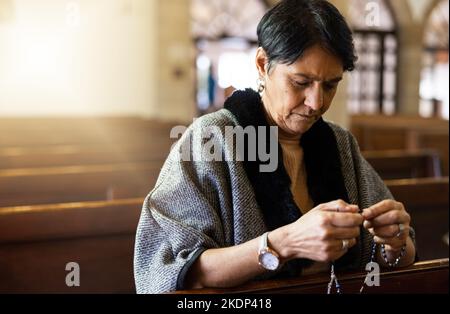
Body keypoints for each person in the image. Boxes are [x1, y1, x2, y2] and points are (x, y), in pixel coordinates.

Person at [134, 0, 417, 294]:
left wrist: (395, 242)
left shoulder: (340, 144)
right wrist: (284, 243)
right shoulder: (211, 139)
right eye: (300, 82)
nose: (317, 103)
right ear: (261, 64)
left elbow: (400, 258)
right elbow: (173, 271)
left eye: (330, 85)